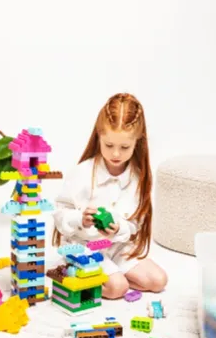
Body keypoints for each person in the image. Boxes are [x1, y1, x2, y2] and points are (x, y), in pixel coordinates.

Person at [52, 93, 167, 298]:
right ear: (99, 137)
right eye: (109, 145)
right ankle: (73, 270)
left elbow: (134, 224)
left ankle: (113, 273)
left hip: (115, 247)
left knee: (158, 281)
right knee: (117, 288)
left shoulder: (138, 178)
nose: (116, 154)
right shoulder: (82, 173)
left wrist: (119, 228)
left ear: (137, 142)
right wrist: (80, 219)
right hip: (85, 246)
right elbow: (60, 214)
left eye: (124, 147)